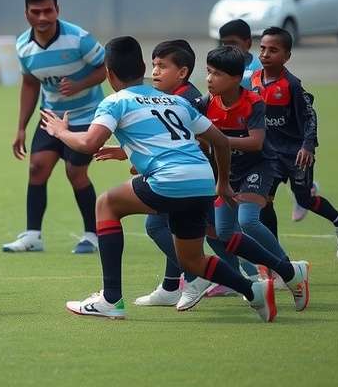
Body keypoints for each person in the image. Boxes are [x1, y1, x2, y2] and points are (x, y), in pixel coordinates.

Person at [43, 36, 309, 322]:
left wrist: (60, 131)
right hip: (202, 181)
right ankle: (254, 291)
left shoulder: (115, 102)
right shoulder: (174, 101)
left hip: (170, 180)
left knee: (106, 204)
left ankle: (110, 299)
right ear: (144, 67)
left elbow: (88, 144)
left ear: (108, 73)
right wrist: (220, 184)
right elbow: (219, 141)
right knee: (191, 259)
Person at [198, 46, 308, 311]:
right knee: (224, 231)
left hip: (258, 167)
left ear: (236, 79)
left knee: (247, 219)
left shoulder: (253, 102)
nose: (210, 79)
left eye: (218, 74)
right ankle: (290, 271)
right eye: (208, 72)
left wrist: (218, 140)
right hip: (228, 171)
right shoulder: (204, 104)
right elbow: (200, 140)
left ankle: (287, 268)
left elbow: (256, 142)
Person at [3, 0, 106, 254]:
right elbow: (29, 85)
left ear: (57, 9)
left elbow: (106, 69)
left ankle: (93, 235)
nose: (43, 17)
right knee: (37, 168)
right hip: (51, 116)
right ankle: (32, 236)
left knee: (75, 172)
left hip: (87, 116)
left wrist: (80, 83)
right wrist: (21, 128)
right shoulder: (23, 45)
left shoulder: (79, 38)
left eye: (48, 11)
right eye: (36, 12)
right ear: (26, 14)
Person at [250, 27, 338, 260]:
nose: (266, 54)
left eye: (273, 50)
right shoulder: (254, 79)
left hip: (295, 154)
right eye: (263, 49)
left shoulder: (292, 85)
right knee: (264, 201)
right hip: (269, 155)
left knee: (304, 200)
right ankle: (276, 258)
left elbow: (310, 116)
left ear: (287, 56)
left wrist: (307, 145)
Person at [220, 19, 314, 222]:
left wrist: (308, 144)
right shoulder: (233, 68)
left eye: (232, 43)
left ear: (246, 43)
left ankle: (306, 194)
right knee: (262, 201)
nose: (228, 48)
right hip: (262, 141)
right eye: (224, 43)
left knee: (294, 191)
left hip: (281, 143)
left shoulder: (257, 69)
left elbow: (307, 113)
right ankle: (271, 251)